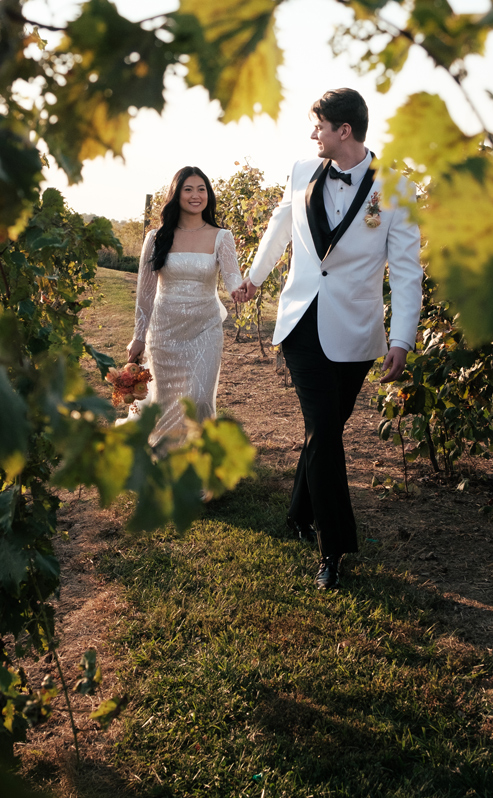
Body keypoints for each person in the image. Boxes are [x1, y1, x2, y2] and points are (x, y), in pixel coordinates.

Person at [234, 88, 422, 590]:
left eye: (318, 124)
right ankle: (333, 548)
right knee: (324, 427)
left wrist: (402, 337)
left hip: (356, 331)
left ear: (344, 130)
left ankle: (297, 511)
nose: (311, 132)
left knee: (327, 429)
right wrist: (253, 277)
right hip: (301, 323)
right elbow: (279, 228)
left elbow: (405, 272)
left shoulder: (397, 190)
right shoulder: (301, 171)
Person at [125, 165, 244, 448]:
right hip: (165, 332)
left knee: (200, 399)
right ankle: (164, 463)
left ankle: (196, 466)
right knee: (166, 400)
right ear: (176, 195)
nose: (195, 195)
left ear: (208, 195)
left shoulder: (221, 236)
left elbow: (233, 279)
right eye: (188, 189)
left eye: (201, 189)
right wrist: (138, 337)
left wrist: (244, 288)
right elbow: (145, 293)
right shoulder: (156, 238)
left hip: (205, 329)